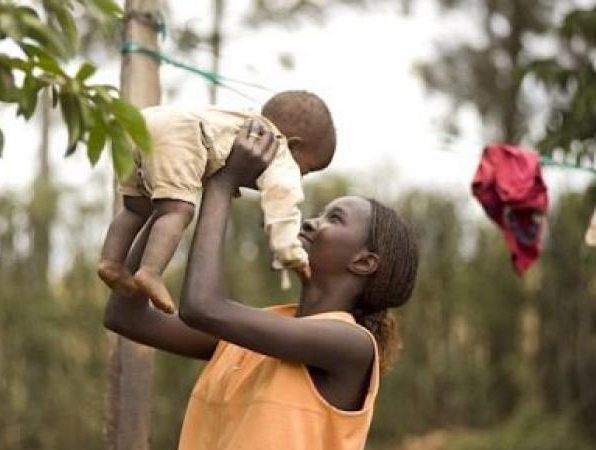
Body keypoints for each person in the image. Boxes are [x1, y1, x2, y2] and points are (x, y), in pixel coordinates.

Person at [103, 120, 418, 450]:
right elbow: (126, 316)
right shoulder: (258, 331)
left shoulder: (350, 345)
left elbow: (202, 307)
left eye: (334, 219)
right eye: (322, 214)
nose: (311, 222)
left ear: (364, 262)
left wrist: (223, 183)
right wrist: (170, 196)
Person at [98, 91, 337, 313]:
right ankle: (151, 271)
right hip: (180, 135)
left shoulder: (242, 121)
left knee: (136, 208)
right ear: (294, 145)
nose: (301, 176)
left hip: (144, 122)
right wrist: (292, 254)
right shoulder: (278, 148)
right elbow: (283, 205)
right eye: (307, 169)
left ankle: (111, 262)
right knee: (176, 210)